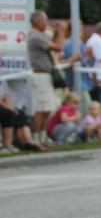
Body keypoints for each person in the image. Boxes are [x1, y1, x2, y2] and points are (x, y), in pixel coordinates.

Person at [26, 11, 61, 147]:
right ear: (37, 22)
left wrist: (57, 32)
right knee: (41, 109)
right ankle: (36, 139)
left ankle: (43, 137)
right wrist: (61, 33)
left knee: (47, 109)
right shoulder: (35, 36)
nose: (46, 24)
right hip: (40, 75)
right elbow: (57, 46)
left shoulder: (40, 36)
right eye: (44, 21)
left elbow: (53, 41)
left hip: (46, 74)